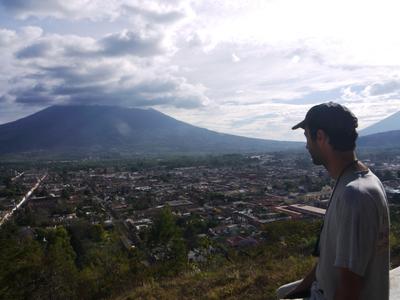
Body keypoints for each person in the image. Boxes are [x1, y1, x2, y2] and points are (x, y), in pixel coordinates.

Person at [277, 102, 390, 300]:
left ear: (320, 137)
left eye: (307, 137)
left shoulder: (353, 196)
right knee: (282, 292)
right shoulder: (359, 180)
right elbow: (329, 262)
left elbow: (349, 287)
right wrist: (298, 290)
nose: (306, 145)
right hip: (322, 288)